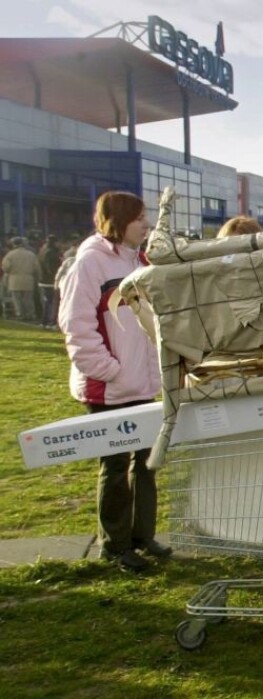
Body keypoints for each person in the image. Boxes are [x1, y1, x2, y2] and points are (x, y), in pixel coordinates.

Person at [59, 192, 167, 572]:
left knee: (147, 463)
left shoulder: (140, 261)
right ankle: (115, 545)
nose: (146, 224)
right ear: (118, 221)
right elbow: (76, 325)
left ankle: (142, 536)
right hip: (110, 387)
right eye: (139, 218)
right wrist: (109, 370)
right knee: (116, 464)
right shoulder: (89, 264)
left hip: (142, 382)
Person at [2, 237, 39, 321]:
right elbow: (36, 268)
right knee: (28, 298)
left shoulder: (10, 255)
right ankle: (30, 314)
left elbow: (6, 268)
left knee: (17, 299)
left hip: (14, 280)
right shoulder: (31, 254)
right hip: (28, 279)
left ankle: (20, 314)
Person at [37, 235, 62, 328]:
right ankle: (51, 321)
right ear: (54, 242)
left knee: (47, 302)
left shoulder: (42, 251)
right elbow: (51, 268)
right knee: (52, 303)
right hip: (50, 281)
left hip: (43, 280)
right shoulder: (51, 253)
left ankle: (45, 321)